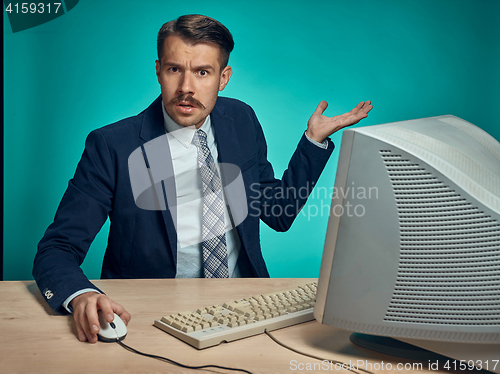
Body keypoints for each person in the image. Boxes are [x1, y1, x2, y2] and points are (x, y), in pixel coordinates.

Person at [33, 14, 372, 344]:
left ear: (223, 78)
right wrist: (80, 296)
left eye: (202, 72)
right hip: (150, 316)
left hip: (246, 308)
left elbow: (278, 213)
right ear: (158, 71)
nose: (186, 88)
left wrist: (312, 142)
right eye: (174, 69)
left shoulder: (240, 119)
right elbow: (57, 248)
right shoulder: (112, 145)